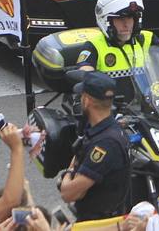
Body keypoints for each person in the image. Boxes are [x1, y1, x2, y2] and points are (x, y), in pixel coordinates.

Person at [55, 71, 130, 222]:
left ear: (87, 100)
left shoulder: (105, 144)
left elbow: (68, 193)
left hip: (98, 224)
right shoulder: (106, 130)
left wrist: (69, 172)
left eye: (81, 95)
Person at [76, 0, 159, 82]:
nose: (126, 24)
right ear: (106, 21)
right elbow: (84, 70)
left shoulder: (147, 38)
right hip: (109, 106)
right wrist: (87, 80)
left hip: (149, 104)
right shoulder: (94, 45)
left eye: (130, 18)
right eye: (120, 19)